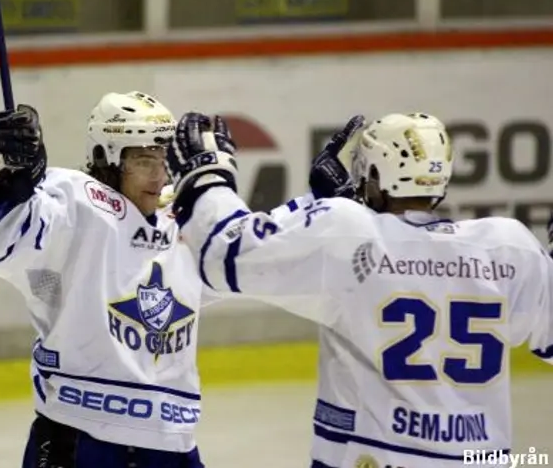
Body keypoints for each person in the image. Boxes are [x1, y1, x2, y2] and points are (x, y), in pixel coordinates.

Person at [165, 112, 553, 468]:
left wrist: (206, 178)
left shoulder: (348, 232)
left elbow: (226, 254)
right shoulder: (508, 247)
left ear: (373, 174)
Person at [0, 92, 316, 468]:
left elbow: (249, 257)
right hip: (79, 439)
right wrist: (7, 191)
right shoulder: (71, 205)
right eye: (145, 160)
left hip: (172, 444)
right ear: (106, 158)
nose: (159, 175)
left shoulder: (180, 217)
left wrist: (328, 207)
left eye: (164, 160)